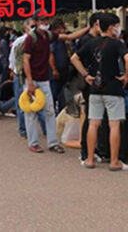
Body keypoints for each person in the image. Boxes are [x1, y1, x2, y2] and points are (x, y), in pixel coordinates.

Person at [23, 10, 88, 153]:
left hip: (44, 79)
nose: (45, 22)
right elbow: (26, 60)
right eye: (42, 20)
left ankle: (52, 142)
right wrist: (30, 82)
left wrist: (87, 28)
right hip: (33, 79)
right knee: (31, 112)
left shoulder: (48, 36)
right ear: (36, 22)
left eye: (46, 20)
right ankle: (33, 143)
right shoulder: (30, 39)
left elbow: (69, 36)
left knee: (50, 111)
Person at [71, 13, 128, 170]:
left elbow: (74, 58)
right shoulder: (117, 44)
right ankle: (114, 161)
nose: (118, 29)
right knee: (114, 125)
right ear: (110, 28)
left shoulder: (91, 43)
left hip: (95, 89)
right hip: (113, 89)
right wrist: (126, 76)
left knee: (93, 123)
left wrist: (85, 75)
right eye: (116, 26)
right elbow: (127, 58)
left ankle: (89, 159)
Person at [9, 19, 45, 138]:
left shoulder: (40, 39)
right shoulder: (20, 41)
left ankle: (43, 128)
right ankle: (23, 129)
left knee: (39, 102)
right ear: (25, 28)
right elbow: (12, 58)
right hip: (21, 75)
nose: (35, 28)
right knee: (22, 102)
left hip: (35, 75)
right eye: (32, 26)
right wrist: (13, 70)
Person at [77, 12, 103, 162]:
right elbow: (77, 59)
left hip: (96, 82)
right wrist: (86, 74)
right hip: (89, 83)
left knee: (96, 117)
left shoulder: (97, 40)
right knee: (90, 117)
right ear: (96, 24)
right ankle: (85, 150)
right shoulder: (87, 41)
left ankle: (94, 148)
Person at [49, 18, 70, 114]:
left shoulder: (62, 40)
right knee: (54, 94)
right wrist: (54, 69)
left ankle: (60, 113)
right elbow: (51, 54)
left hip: (63, 71)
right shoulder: (54, 39)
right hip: (56, 72)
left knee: (61, 95)